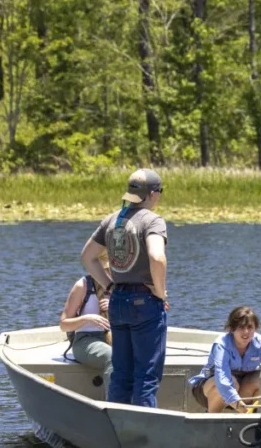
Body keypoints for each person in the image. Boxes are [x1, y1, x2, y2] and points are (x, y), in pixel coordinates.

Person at [80, 168, 169, 408]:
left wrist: (109, 285)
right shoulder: (152, 220)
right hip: (145, 303)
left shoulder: (112, 220)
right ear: (152, 194)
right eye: (159, 192)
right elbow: (157, 257)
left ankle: (118, 429)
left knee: (121, 373)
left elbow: (88, 257)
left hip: (117, 301)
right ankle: (142, 435)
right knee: (146, 376)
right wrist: (159, 293)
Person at [189, 306, 261, 413]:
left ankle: (253, 419)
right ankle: (212, 419)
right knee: (231, 382)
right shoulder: (222, 345)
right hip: (210, 390)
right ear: (231, 329)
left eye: (250, 327)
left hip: (241, 390)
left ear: (255, 328)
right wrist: (242, 408)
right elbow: (223, 381)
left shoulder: (260, 343)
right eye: (241, 327)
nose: (246, 332)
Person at [59, 253, 113, 386]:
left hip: (117, 336)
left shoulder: (123, 287)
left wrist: (116, 306)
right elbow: (63, 325)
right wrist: (87, 318)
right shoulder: (83, 286)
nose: (108, 273)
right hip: (86, 339)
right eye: (105, 269)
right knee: (113, 357)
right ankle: (115, 403)